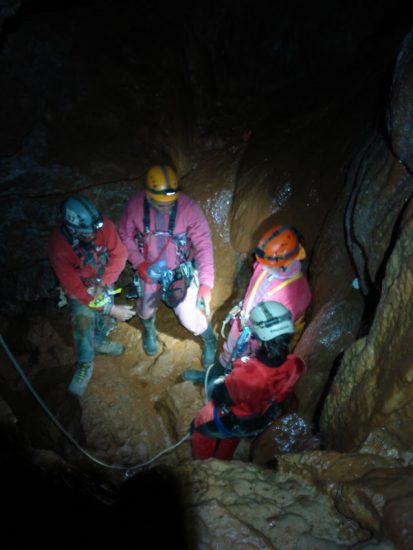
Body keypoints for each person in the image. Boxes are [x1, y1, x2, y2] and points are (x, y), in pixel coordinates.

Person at [183, 224, 311, 383]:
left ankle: (229, 386)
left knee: (244, 367)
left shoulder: (298, 293)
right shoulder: (267, 261)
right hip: (242, 324)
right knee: (229, 351)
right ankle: (213, 375)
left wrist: (259, 346)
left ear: (283, 262)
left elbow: (281, 336)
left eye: (265, 262)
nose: (260, 264)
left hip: (259, 340)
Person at [118, 165, 216, 366]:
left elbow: (204, 245)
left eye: (171, 203)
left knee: (189, 318)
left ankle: (209, 339)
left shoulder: (189, 209)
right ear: (148, 196)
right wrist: (139, 262)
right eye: (161, 204)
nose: (167, 208)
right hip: (150, 269)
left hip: (180, 270)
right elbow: (125, 236)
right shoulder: (135, 206)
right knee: (146, 309)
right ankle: (149, 328)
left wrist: (206, 284)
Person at [190, 301, 306, 460]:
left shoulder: (248, 374)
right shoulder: (295, 364)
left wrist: (225, 380)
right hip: (256, 420)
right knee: (231, 438)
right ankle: (222, 460)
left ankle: (201, 463)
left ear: (260, 337)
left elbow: (220, 396)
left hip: (231, 418)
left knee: (199, 429)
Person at [48, 195, 135, 397]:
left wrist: (103, 282)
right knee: (83, 319)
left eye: (95, 230)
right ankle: (85, 362)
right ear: (73, 230)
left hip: (102, 278)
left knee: (105, 317)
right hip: (79, 287)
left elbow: (119, 254)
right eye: (88, 233)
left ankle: (99, 342)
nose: (95, 235)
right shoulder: (58, 247)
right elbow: (74, 289)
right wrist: (110, 309)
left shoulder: (103, 226)